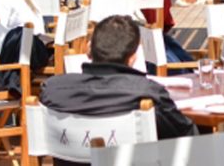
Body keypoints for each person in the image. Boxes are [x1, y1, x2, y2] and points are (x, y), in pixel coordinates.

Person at [40, 15, 195, 165]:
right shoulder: (147, 93)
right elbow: (188, 137)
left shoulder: (52, 91)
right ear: (133, 57)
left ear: (89, 50)